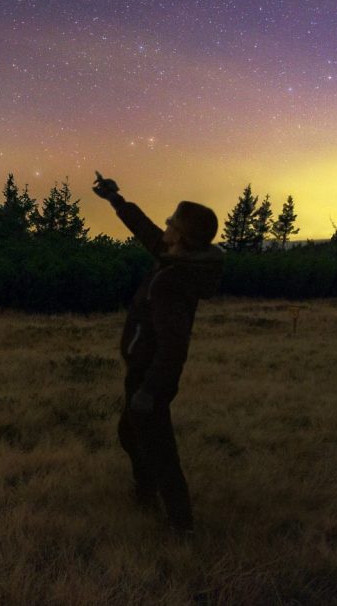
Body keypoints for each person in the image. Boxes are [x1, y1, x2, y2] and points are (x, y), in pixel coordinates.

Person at [92, 171, 223, 537]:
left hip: (150, 375)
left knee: (159, 448)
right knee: (131, 433)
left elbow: (173, 347)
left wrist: (150, 390)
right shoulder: (177, 261)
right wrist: (117, 200)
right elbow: (147, 231)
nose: (164, 226)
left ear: (181, 237)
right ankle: (146, 494)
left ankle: (181, 525)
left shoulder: (171, 281)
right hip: (146, 370)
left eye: (171, 224)